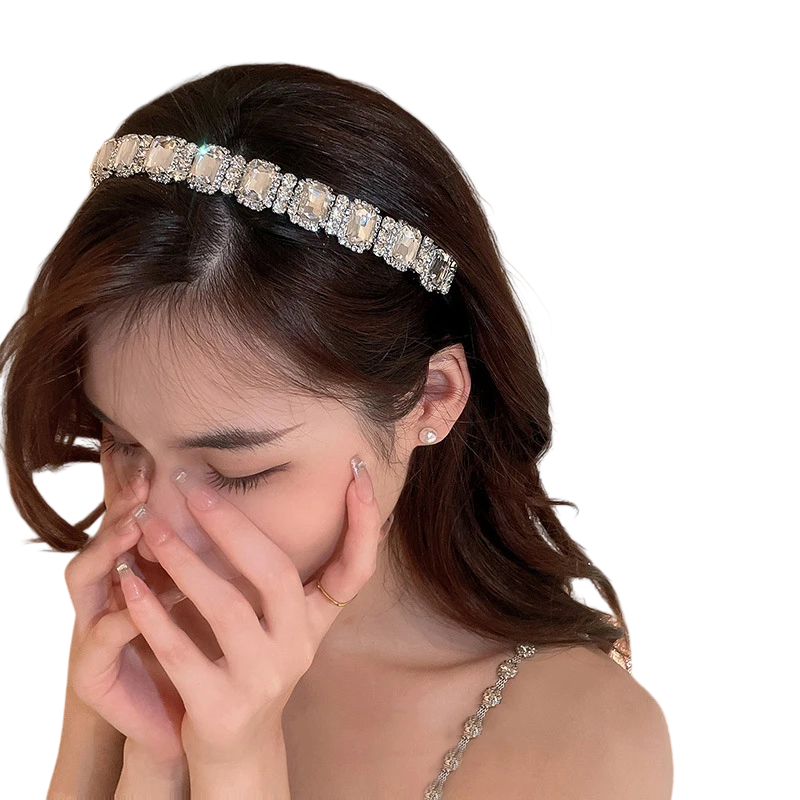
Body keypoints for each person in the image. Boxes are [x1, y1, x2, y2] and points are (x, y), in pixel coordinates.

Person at [0, 63, 672, 798]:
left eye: (236, 472)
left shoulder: (578, 737)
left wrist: (238, 764)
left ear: (431, 400)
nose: (156, 527)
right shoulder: (143, 646)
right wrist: (142, 751)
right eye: (123, 443)